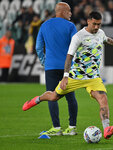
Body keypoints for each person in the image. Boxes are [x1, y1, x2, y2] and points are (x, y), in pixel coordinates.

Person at [22, 11, 113, 139]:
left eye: (99, 24)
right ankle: (37, 99)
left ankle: (106, 129)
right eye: (95, 24)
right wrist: (65, 76)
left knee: (103, 99)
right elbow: (69, 57)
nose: (97, 27)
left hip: (93, 78)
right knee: (53, 97)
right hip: (76, 76)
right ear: (88, 21)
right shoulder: (78, 36)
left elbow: (107, 40)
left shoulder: (100, 33)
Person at [33, 2, 78, 136]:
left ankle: (56, 128)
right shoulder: (70, 26)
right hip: (67, 67)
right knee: (71, 97)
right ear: (63, 12)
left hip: (51, 66)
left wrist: (44, 61)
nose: (71, 13)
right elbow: (76, 45)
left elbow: (38, 47)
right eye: (69, 11)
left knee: (51, 96)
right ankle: (72, 127)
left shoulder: (44, 25)